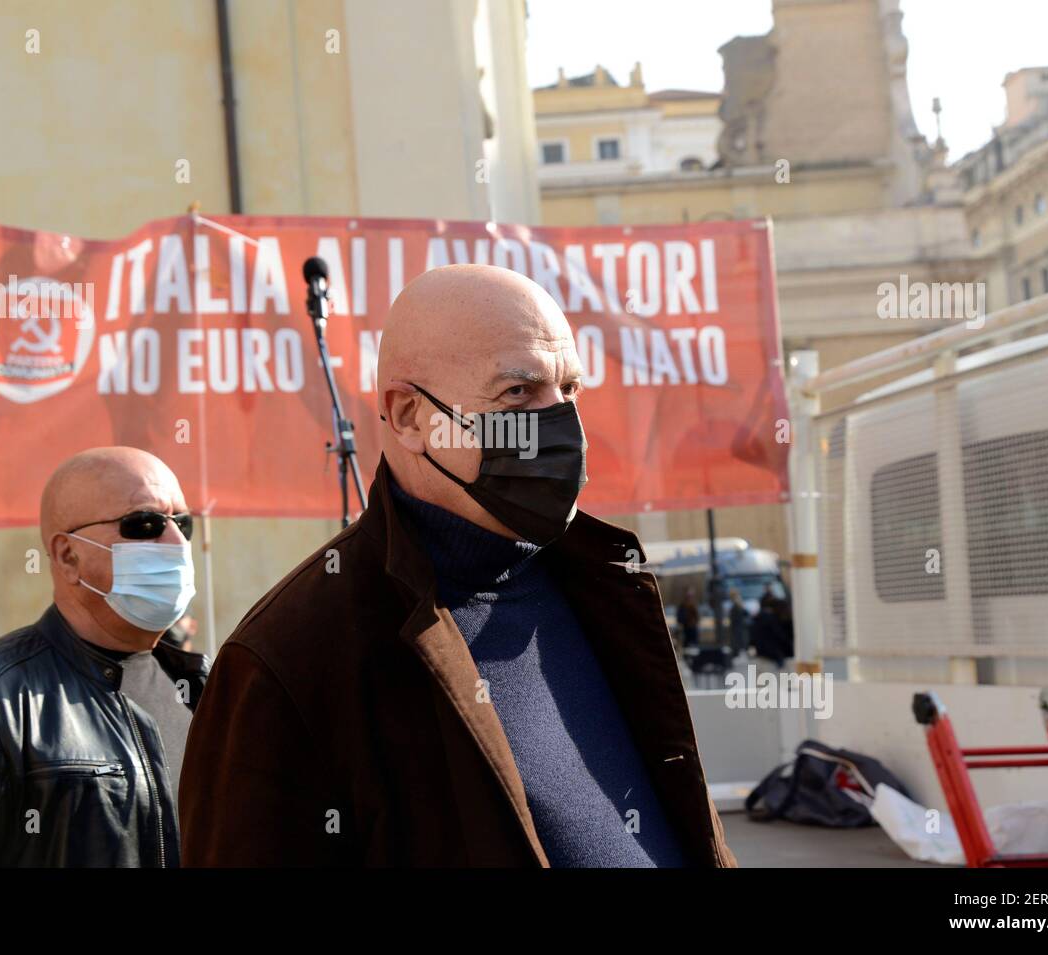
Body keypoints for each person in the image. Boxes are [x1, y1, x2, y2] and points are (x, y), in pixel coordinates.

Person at [180, 264, 736, 868]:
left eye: (569, 390)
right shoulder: (290, 658)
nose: (563, 425)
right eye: (519, 393)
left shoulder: (604, 582)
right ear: (411, 417)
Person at [0, 447, 208, 867]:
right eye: (144, 524)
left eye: (183, 523)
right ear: (68, 556)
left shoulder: (209, 690)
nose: (176, 543)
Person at [749, 596, 787, 674]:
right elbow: (779, 635)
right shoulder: (772, 619)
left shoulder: (757, 618)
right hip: (772, 654)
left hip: (760, 653)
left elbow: (752, 637)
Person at [727, 587, 750, 654]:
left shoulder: (735, 607)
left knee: (739, 653)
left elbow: (734, 621)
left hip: (738, 632)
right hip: (742, 631)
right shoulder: (740, 605)